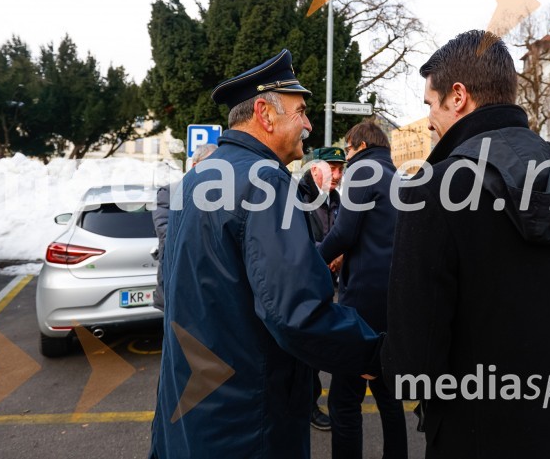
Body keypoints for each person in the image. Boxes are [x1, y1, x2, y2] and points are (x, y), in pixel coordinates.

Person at [382, 30, 550, 458]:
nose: (429, 122)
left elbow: (413, 363)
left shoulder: (431, 192)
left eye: (429, 105)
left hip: (474, 437)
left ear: (458, 97)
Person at [150, 49, 382, 459]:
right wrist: (371, 352)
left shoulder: (197, 178)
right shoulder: (265, 183)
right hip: (246, 421)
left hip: (192, 412)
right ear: (265, 113)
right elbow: (295, 312)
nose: (309, 125)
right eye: (301, 112)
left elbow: (174, 289)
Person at [319, 122, 408, 459]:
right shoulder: (395, 176)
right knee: (388, 396)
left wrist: (312, 261)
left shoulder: (363, 171)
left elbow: (344, 232)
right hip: (392, 301)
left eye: (347, 149)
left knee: (344, 400)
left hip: (361, 306)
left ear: (358, 144)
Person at [297, 146, 346, 431]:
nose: (338, 174)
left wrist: (340, 255)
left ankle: (307, 401)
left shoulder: (335, 197)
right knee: (305, 351)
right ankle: (307, 406)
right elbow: (298, 240)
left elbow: (338, 233)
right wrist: (326, 254)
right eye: (333, 168)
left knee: (316, 349)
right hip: (305, 285)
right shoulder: (299, 197)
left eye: (341, 168)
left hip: (326, 285)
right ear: (316, 169)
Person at [151, 143, 217, 311]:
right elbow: (169, 235)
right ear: (195, 166)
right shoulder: (170, 193)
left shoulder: (221, 196)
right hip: (179, 286)